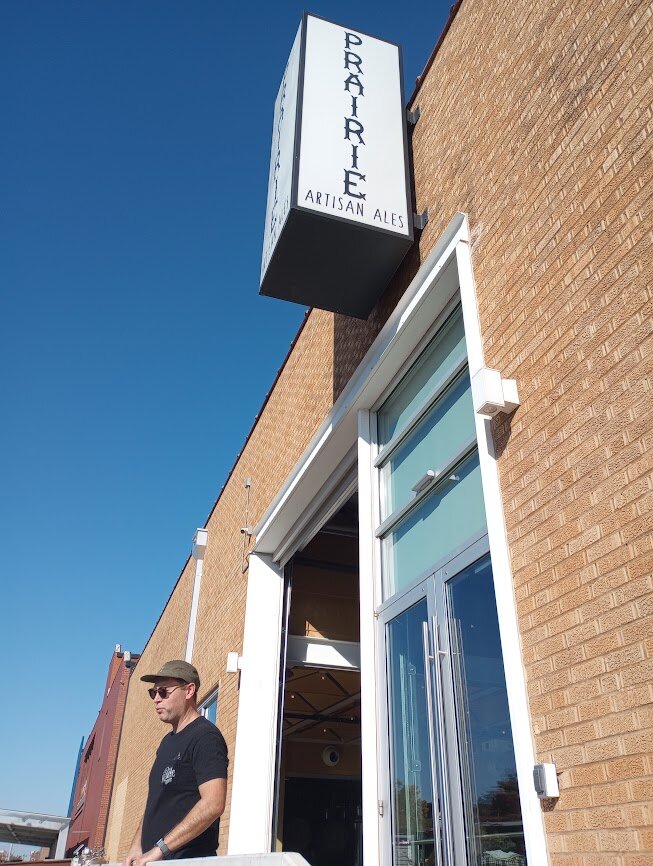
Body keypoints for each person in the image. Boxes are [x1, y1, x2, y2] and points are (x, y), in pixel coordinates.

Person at [124, 660, 228, 866]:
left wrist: (160, 850)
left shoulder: (206, 737)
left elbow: (213, 804)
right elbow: (156, 802)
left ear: (189, 691)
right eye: (153, 693)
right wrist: (137, 845)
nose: (156, 699)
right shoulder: (167, 742)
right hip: (154, 861)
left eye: (163, 692)